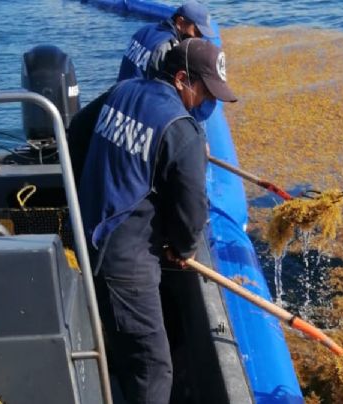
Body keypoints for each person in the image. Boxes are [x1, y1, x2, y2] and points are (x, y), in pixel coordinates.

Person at [77, 38, 237, 404]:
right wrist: (182, 247)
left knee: (128, 344)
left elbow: (76, 132)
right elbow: (191, 208)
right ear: (182, 78)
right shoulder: (183, 130)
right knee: (153, 367)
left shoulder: (124, 90)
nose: (209, 102)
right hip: (127, 263)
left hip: (90, 236)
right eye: (206, 92)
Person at [116, 0, 215, 82]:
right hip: (138, 102)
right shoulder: (168, 47)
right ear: (180, 22)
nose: (198, 38)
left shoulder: (145, 30)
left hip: (119, 95)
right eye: (197, 32)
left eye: (201, 35)